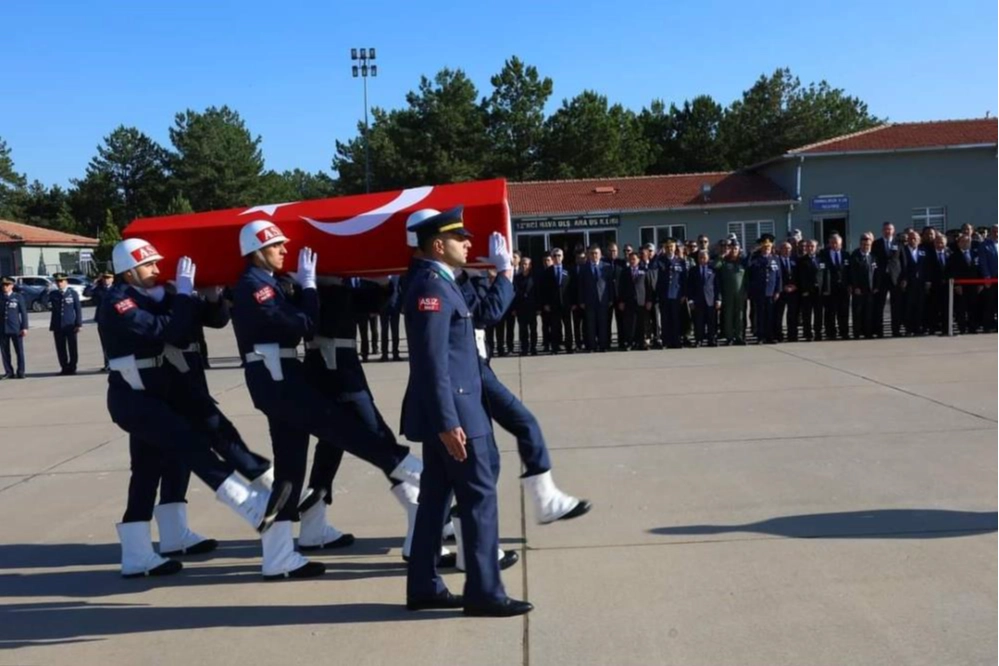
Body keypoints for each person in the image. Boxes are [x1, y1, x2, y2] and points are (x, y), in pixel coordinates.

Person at [230, 220, 422, 579]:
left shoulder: (266, 283)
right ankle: (411, 469)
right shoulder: (257, 288)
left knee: (290, 470)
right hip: (279, 381)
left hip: (281, 378)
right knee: (342, 429)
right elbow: (301, 324)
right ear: (258, 251)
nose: (285, 250)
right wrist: (310, 287)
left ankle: (277, 557)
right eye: (277, 246)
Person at [99, 238, 291, 578]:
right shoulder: (118, 303)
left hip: (156, 393)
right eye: (149, 265)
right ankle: (249, 504)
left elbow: (211, 319)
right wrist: (183, 295)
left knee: (148, 469)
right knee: (190, 445)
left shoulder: (152, 295)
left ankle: (144, 552)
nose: (158, 270)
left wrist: (209, 294)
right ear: (129, 272)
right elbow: (166, 331)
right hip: (134, 398)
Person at [402, 207, 532, 617]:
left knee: (435, 501)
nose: (469, 244)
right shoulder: (431, 288)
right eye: (461, 239)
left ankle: (424, 586)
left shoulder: (442, 283)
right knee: (479, 499)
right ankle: (484, 592)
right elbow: (431, 362)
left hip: (453, 411)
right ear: (438, 245)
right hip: (457, 415)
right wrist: (447, 422)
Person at [577, 245, 615, 352]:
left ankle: (603, 345)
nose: (594, 255)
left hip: (603, 300)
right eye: (592, 253)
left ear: (600, 255)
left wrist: (611, 299)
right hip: (589, 301)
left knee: (603, 324)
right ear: (589, 255)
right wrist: (581, 301)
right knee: (590, 325)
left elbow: (610, 285)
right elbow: (581, 286)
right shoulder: (584, 268)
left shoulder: (607, 267)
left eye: (596, 253)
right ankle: (591, 346)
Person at [892, 230, 929, 336]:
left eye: (915, 238)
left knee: (920, 306)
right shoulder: (902, 250)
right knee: (908, 307)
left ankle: (917, 328)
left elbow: (927, 267)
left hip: (920, 283)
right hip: (907, 283)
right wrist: (903, 279)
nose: (913, 240)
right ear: (907, 240)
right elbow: (899, 266)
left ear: (919, 240)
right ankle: (909, 329)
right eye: (911, 238)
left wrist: (927, 280)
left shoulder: (923, 251)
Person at [654, 239, 687, 349]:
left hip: (676, 294)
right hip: (664, 294)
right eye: (667, 247)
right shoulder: (660, 261)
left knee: (676, 318)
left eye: (672, 247)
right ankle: (666, 342)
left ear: (675, 248)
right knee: (665, 319)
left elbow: (683, 279)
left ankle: (676, 341)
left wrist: (683, 294)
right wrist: (658, 254)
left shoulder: (680, 261)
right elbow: (653, 271)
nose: (670, 249)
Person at [848, 232, 882, 339]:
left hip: (870, 289)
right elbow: (852, 273)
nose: (865, 247)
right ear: (860, 244)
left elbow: (877, 273)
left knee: (869, 312)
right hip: (858, 290)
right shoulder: (855, 256)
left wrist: (877, 286)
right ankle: (857, 333)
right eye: (863, 245)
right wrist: (855, 287)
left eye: (868, 245)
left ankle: (868, 332)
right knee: (857, 312)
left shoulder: (873, 257)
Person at [617, 251, 654, 350]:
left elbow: (649, 287)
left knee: (641, 324)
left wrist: (649, 300)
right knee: (630, 324)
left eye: (634, 259)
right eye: (631, 259)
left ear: (638, 260)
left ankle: (641, 343)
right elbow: (621, 287)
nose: (632, 261)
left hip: (641, 301)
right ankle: (630, 343)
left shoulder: (644, 271)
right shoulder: (625, 272)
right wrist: (621, 301)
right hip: (629, 302)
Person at [542, 248, 575, 354]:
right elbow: (545, 289)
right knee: (555, 326)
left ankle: (569, 347)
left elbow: (573, 288)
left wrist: (574, 302)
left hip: (566, 303)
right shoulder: (547, 272)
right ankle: (555, 347)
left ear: (563, 257)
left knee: (568, 326)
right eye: (554, 256)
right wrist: (546, 303)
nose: (557, 258)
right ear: (552, 258)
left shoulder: (569, 270)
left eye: (559, 255)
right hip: (553, 304)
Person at [947, 234, 981, 334]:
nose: (966, 243)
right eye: (963, 241)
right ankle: (962, 328)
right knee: (961, 308)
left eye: (968, 241)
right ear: (958, 243)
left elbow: (979, 269)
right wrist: (957, 285)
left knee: (973, 307)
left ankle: (973, 327)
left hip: (974, 285)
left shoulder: (975, 254)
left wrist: (981, 283)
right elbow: (950, 271)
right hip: (961, 286)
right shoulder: (953, 256)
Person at [49, 272, 82, 375]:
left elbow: (78, 309)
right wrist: (47, 290)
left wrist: (78, 324)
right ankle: (64, 367)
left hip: (70, 325)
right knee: (60, 348)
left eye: (61, 281)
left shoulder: (72, 293)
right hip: (57, 325)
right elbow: (44, 302)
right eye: (57, 281)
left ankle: (72, 367)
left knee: (72, 347)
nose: (59, 283)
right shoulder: (53, 294)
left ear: (66, 282)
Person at [818, 235, 850, 340]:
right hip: (829, 289)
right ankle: (830, 333)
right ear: (829, 243)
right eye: (832, 242)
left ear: (841, 243)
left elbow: (850, 272)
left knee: (843, 311)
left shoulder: (846, 255)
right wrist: (823, 288)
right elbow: (821, 273)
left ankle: (844, 332)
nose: (834, 245)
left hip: (843, 288)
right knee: (830, 312)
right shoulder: (823, 255)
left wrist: (850, 285)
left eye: (836, 243)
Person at [872, 222, 901, 337]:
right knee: (879, 306)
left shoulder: (898, 243)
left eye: (889, 229)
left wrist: (903, 278)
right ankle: (879, 331)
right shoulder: (876, 243)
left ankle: (896, 331)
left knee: (896, 306)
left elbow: (903, 261)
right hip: (881, 278)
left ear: (893, 230)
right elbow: (873, 261)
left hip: (895, 279)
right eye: (885, 229)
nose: (887, 231)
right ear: (882, 231)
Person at [717, 242, 748, 345]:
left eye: (736, 248)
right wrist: (722, 256)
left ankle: (739, 336)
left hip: (740, 293)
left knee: (740, 315)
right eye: (732, 248)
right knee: (728, 316)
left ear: (739, 249)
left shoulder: (743, 262)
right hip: (727, 294)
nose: (734, 250)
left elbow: (748, 278)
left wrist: (747, 292)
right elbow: (714, 266)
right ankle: (729, 337)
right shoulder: (724, 261)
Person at [687, 250, 720, 347]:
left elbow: (717, 286)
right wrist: (691, 300)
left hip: (710, 299)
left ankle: (711, 339)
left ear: (708, 258)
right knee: (698, 322)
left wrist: (718, 299)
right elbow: (690, 286)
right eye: (700, 257)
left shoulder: (713, 269)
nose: (702, 259)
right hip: (698, 300)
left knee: (711, 321)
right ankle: (699, 340)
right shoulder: (693, 270)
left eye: (704, 257)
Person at [1, 276, 28, 379]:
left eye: (7, 285)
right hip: (3, 328)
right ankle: (9, 372)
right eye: (3, 285)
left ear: (11, 286)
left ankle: (21, 371)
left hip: (16, 328)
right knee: (5, 352)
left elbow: (24, 313)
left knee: (19, 351)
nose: (5, 287)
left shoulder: (18, 297)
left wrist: (24, 327)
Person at [513, 256, 539, 356]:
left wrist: (538, 308)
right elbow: (514, 294)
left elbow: (537, 293)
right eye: (523, 264)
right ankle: (524, 348)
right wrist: (514, 308)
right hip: (521, 308)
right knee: (523, 330)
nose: (524, 266)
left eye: (526, 264)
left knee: (533, 330)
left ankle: (533, 348)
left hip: (532, 308)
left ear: (530, 265)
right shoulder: (517, 278)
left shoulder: (534, 278)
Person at [774, 241, 799, 342]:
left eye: (789, 248)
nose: (786, 250)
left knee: (792, 314)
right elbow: (775, 276)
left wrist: (795, 286)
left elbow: (799, 274)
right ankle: (778, 335)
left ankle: (792, 335)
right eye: (784, 248)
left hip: (794, 291)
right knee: (778, 314)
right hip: (781, 291)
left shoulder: (795, 260)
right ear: (780, 250)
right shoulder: (776, 260)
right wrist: (782, 287)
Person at [380, 274, 403, 361]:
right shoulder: (382, 275)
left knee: (395, 331)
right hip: (383, 306)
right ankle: (384, 354)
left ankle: (395, 353)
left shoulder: (397, 275)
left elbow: (401, 288)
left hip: (395, 305)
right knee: (384, 331)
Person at [539, 254, 554, 352]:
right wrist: (543, 304)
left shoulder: (556, 271)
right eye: (544, 260)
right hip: (544, 304)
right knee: (545, 325)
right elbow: (539, 290)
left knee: (556, 325)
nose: (546, 262)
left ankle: (556, 342)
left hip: (555, 304)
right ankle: (546, 343)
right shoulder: (540, 273)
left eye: (548, 260)